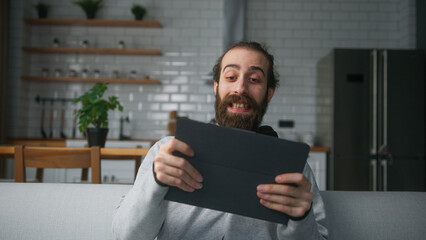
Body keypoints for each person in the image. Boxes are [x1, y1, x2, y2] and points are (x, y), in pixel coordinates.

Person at [112, 41, 328, 240]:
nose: (240, 88)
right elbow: (124, 236)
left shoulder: (292, 169)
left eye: (254, 80)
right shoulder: (167, 152)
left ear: (269, 93)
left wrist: (301, 218)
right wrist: (155, 182)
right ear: (216, 87)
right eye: (231, 77)